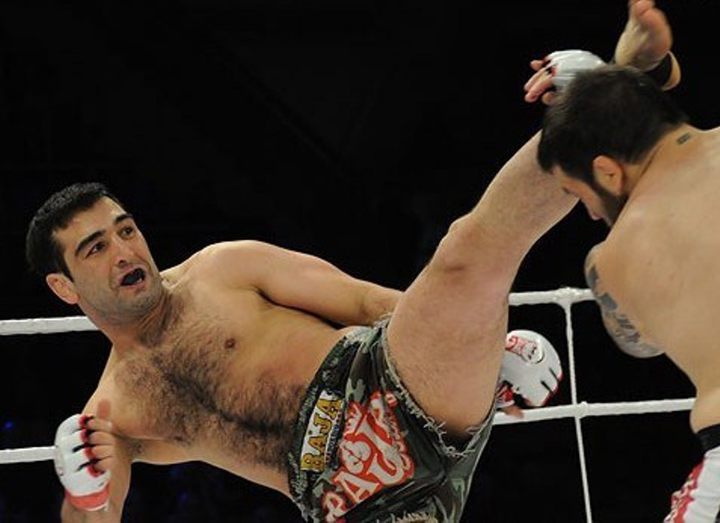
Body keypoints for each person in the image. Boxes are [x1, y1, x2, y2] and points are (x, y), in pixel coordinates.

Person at [27, 2, 675, 522]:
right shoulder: (113, 411)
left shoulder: (222, 268)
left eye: (125, 230)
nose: (125, 251)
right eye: (96, 248)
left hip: (397, 382)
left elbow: (365, 301)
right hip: (354, 506)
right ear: (64, 285)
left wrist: (482, 342)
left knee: (463, 255)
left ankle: (606, 93)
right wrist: (81, 493)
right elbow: (100, 509)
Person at [535, 28, 720, 523]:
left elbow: (643, 345)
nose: (593, 213)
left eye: (581, 195)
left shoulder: (612, 259)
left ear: (607, 172)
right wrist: (625, 78)